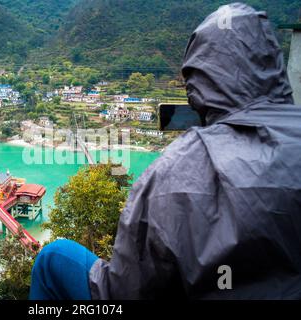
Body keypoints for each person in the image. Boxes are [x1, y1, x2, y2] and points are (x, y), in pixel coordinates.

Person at [30, 3, 301, 300]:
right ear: (273, 64)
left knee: (53, 257)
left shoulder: (177, 169)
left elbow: (125, 291)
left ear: (198, 81)